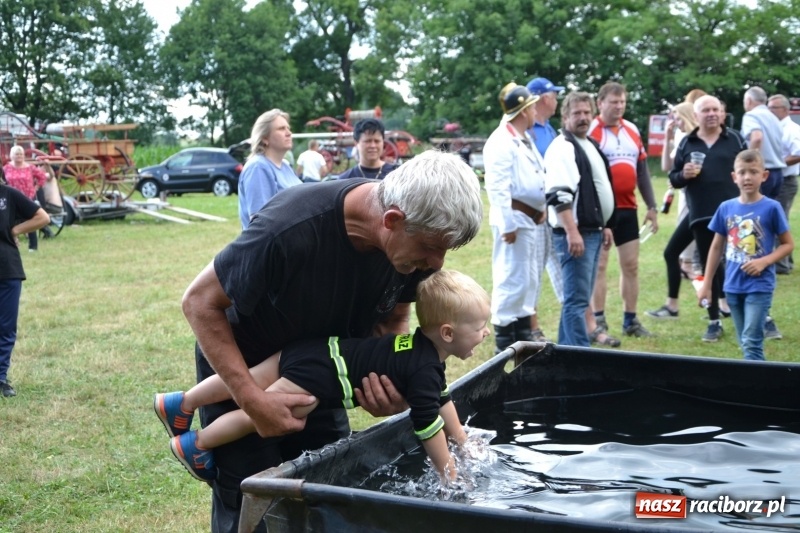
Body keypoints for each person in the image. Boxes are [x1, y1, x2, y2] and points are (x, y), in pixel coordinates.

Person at [178, 149, 482, 532]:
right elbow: (198, 302)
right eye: (431, 247)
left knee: (330, 492)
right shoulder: (290, 227)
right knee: (251, 505)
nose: (437, 263)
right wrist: (253, 401)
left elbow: (394, 316)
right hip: (247, 373)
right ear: (392, 220)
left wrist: (389, 379)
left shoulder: (409, 252)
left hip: (327, 370)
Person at [156, 269, 490, 483]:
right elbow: (427, 423)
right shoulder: (424, 369)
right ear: (447, 333)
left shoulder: (418, 348)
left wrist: (461, 439)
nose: (486, 333)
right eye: (479, 328)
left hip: (315, 351)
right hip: (319, 382)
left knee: (251, 377)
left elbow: (440, 396)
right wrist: (449, 472)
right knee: (250, 415)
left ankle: (181, 402)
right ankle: (196, 444)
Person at [697, 150, 793, 360]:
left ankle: (757, 390)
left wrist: (764, 262)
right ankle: (757, 384)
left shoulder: (772, 208)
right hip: (732, 286)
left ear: (764, 176)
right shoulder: (726, 208)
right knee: (745, 342)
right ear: (734, 177)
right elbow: (715, 248)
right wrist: (706, 284)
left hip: (759, 286)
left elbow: (788, 245)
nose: (747, 177)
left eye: (753, 172)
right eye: (742, 172)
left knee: (751, 342)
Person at [669, 95, 747, 342]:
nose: (712, 114)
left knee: (743, 263)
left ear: (722, 113)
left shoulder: (734, 138)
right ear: (697, 114)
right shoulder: (687, 142)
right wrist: (684, 174)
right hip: (702, 214)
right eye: (706, 110)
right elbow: (673, 177)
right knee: (709, 266)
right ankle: (714, 321)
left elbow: (750, 169)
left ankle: (758, 316)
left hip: (735, 213)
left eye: (716, 109)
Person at [543, 92, 616, 347]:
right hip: (576, 234)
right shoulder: (563, 146)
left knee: (579, 298)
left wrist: (604, 225)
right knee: (575, 300)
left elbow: (594, 189)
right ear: (565, 117)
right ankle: (578, 355)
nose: (583, 117)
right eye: (577, 113)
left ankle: (565, 352)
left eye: (587, 112)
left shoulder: (589, 144)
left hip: (592, 231)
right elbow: (558, 194)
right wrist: (572, 231)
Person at [588, 82, 659, 338]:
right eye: (613, 102)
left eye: (622, 102)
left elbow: (642, 171)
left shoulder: (631, 130)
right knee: (600, 266)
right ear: (601, 103)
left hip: (628, 208)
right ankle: (599, 321)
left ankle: (631, 320)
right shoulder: (592, 131)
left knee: (631, 266)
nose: (619, 107)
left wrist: (652, 206)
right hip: (602, 211)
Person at [483, 82, 547, 353]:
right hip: (515, 218)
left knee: (528, 279)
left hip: (529, 219)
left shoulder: (522, 138)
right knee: (511, 278)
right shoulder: (501, 141)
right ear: (523, 110)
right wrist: (508, 223)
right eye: (531, 106)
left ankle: (522, 337)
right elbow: (497, 187)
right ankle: (504, 344)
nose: (535, 111)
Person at [0, 166, 51, 397]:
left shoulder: (8, 194)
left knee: (5, 327)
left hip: (7, 269)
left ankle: (1, 378)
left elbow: (42, 217)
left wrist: (16, 230)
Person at [524, 76, 566, 341]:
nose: (557, 99)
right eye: (553, 95)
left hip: (557, 210)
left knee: (561, 264)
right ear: (540, 98)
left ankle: (574, 319)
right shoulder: (526, 131)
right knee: (534, 268)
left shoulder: (550, 128)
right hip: (537, 212)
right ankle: (533, 327)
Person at [237, 109, 300, 229]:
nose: (289, 133)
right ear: (265, 138)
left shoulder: (286, 166)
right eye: (281, 129)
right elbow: (261, 224)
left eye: (288, 128)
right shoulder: (258, 167)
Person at [767, 94, 800, 275]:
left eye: (774, 108)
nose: (770, 111)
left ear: (786, 110)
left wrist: (776, 163)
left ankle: (781, 264)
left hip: (786, 181)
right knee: (778, 219)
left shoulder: (792, 129)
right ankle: (786, 260)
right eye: (769, 107)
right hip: (777, 179)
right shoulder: (775, 127)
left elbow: (798, 153)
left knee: (779, 221)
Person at [741, 87, 786, 199]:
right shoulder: (774, 117)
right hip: (778, 173)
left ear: (748, 101)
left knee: (755, 211)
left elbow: (757, 138)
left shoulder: (751, 115)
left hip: (762, 172)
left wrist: (749, 164)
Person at [3, 145, 48, 252]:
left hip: (27, 198)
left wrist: (37, 187)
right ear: (11, 156)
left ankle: (33, 247)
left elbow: (42, 176)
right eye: (16, 154)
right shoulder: (6, 168)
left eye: (21, 154)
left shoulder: (30, 167)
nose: (19, 156)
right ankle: (12, 244)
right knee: (10, 222)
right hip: (11, 200)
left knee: (30, 221)